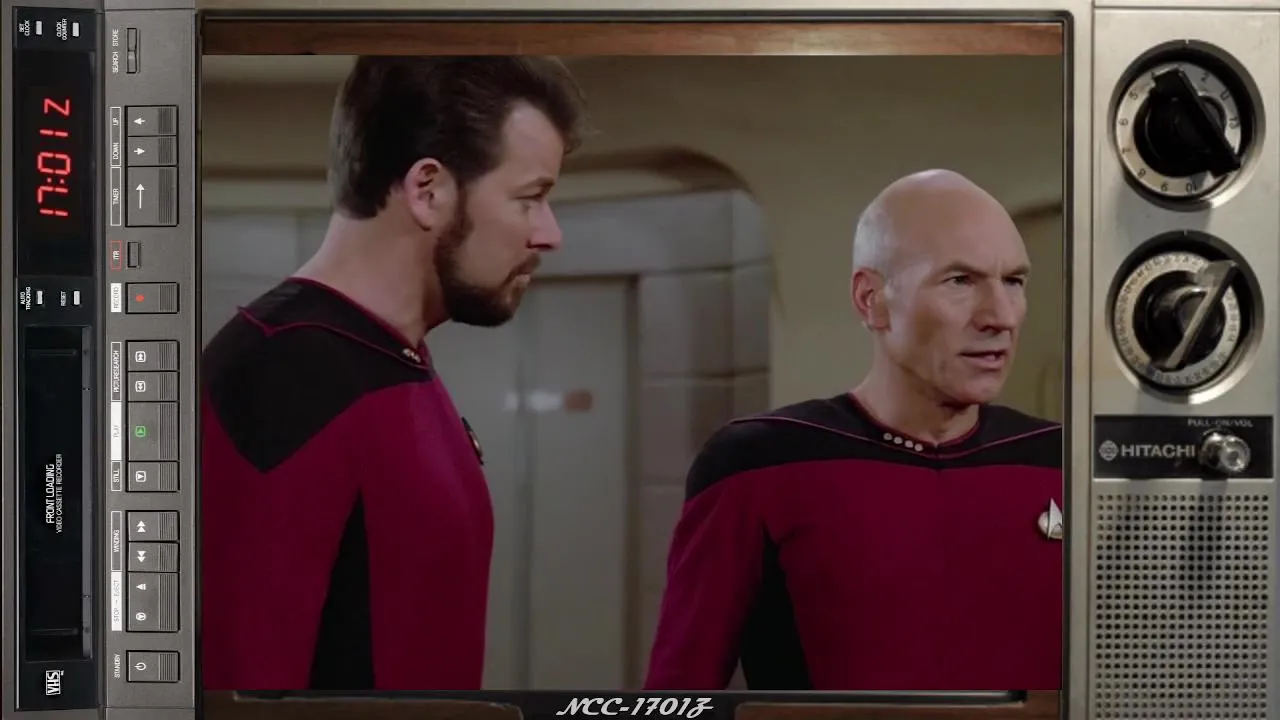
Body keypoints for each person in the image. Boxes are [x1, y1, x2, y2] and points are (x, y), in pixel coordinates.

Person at [200, 56, 587, 691]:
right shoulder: (284, 373)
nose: (550, 234)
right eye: (530, 199)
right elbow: (237, 684)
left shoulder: (394, 357)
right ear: (428, 190)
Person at [644, 169, 1063, 692]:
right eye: (960, 281)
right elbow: (676, 695)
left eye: (1014, 282)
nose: (1001, 316)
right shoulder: (759, 463)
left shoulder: (1060, 462)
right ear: (871, 299)